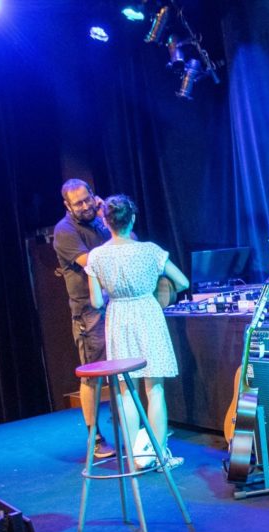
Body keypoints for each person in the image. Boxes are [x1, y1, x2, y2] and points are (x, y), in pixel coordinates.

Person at [86, 195, 189, 469]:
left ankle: (134, 458)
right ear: (132, 219)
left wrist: (115, 293)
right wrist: (163, 290)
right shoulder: (150, 250)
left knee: (124, 389)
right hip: (148, 312)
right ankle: (160, 455)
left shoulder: (96, 257)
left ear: (106, 222)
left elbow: (96, 302)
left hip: (118, 317)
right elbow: (183, 280)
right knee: (154, 389)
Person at [53, 179, 116, 459]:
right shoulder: (65, 231)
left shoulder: (100, 221)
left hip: (114, 304)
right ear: (68, 205)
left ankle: (132, 427)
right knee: (93, 376)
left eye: (88, 199)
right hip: (89, 313)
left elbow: (128, 241)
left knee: (123, 369)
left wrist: (107, 218)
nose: (86, 206)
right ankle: (96, 437)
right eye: (78, 203)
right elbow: (93, 263)